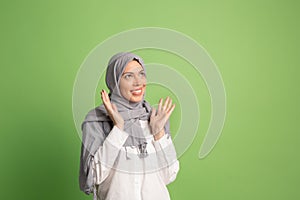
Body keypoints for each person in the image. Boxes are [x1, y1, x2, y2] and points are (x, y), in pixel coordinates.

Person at [79, 52, 179, 200]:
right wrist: (118, 128)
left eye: (141, 74)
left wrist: (158, 133)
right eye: (128, 76)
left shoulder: (154, 118)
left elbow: (169, 175)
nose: (138, 82)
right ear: (115, 81)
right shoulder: (97, 121)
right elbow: (94, 177)